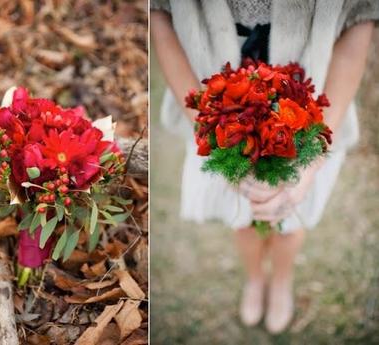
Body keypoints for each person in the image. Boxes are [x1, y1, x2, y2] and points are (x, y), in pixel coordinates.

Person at [151, 0, 378, 334]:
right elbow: (159, 16)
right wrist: (214, 137)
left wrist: (311, 158)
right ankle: (256, 279)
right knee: (242, 216)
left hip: (312, 108)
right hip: (216, 109)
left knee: (288, 217)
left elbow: (359, 20)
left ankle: (282, 280)